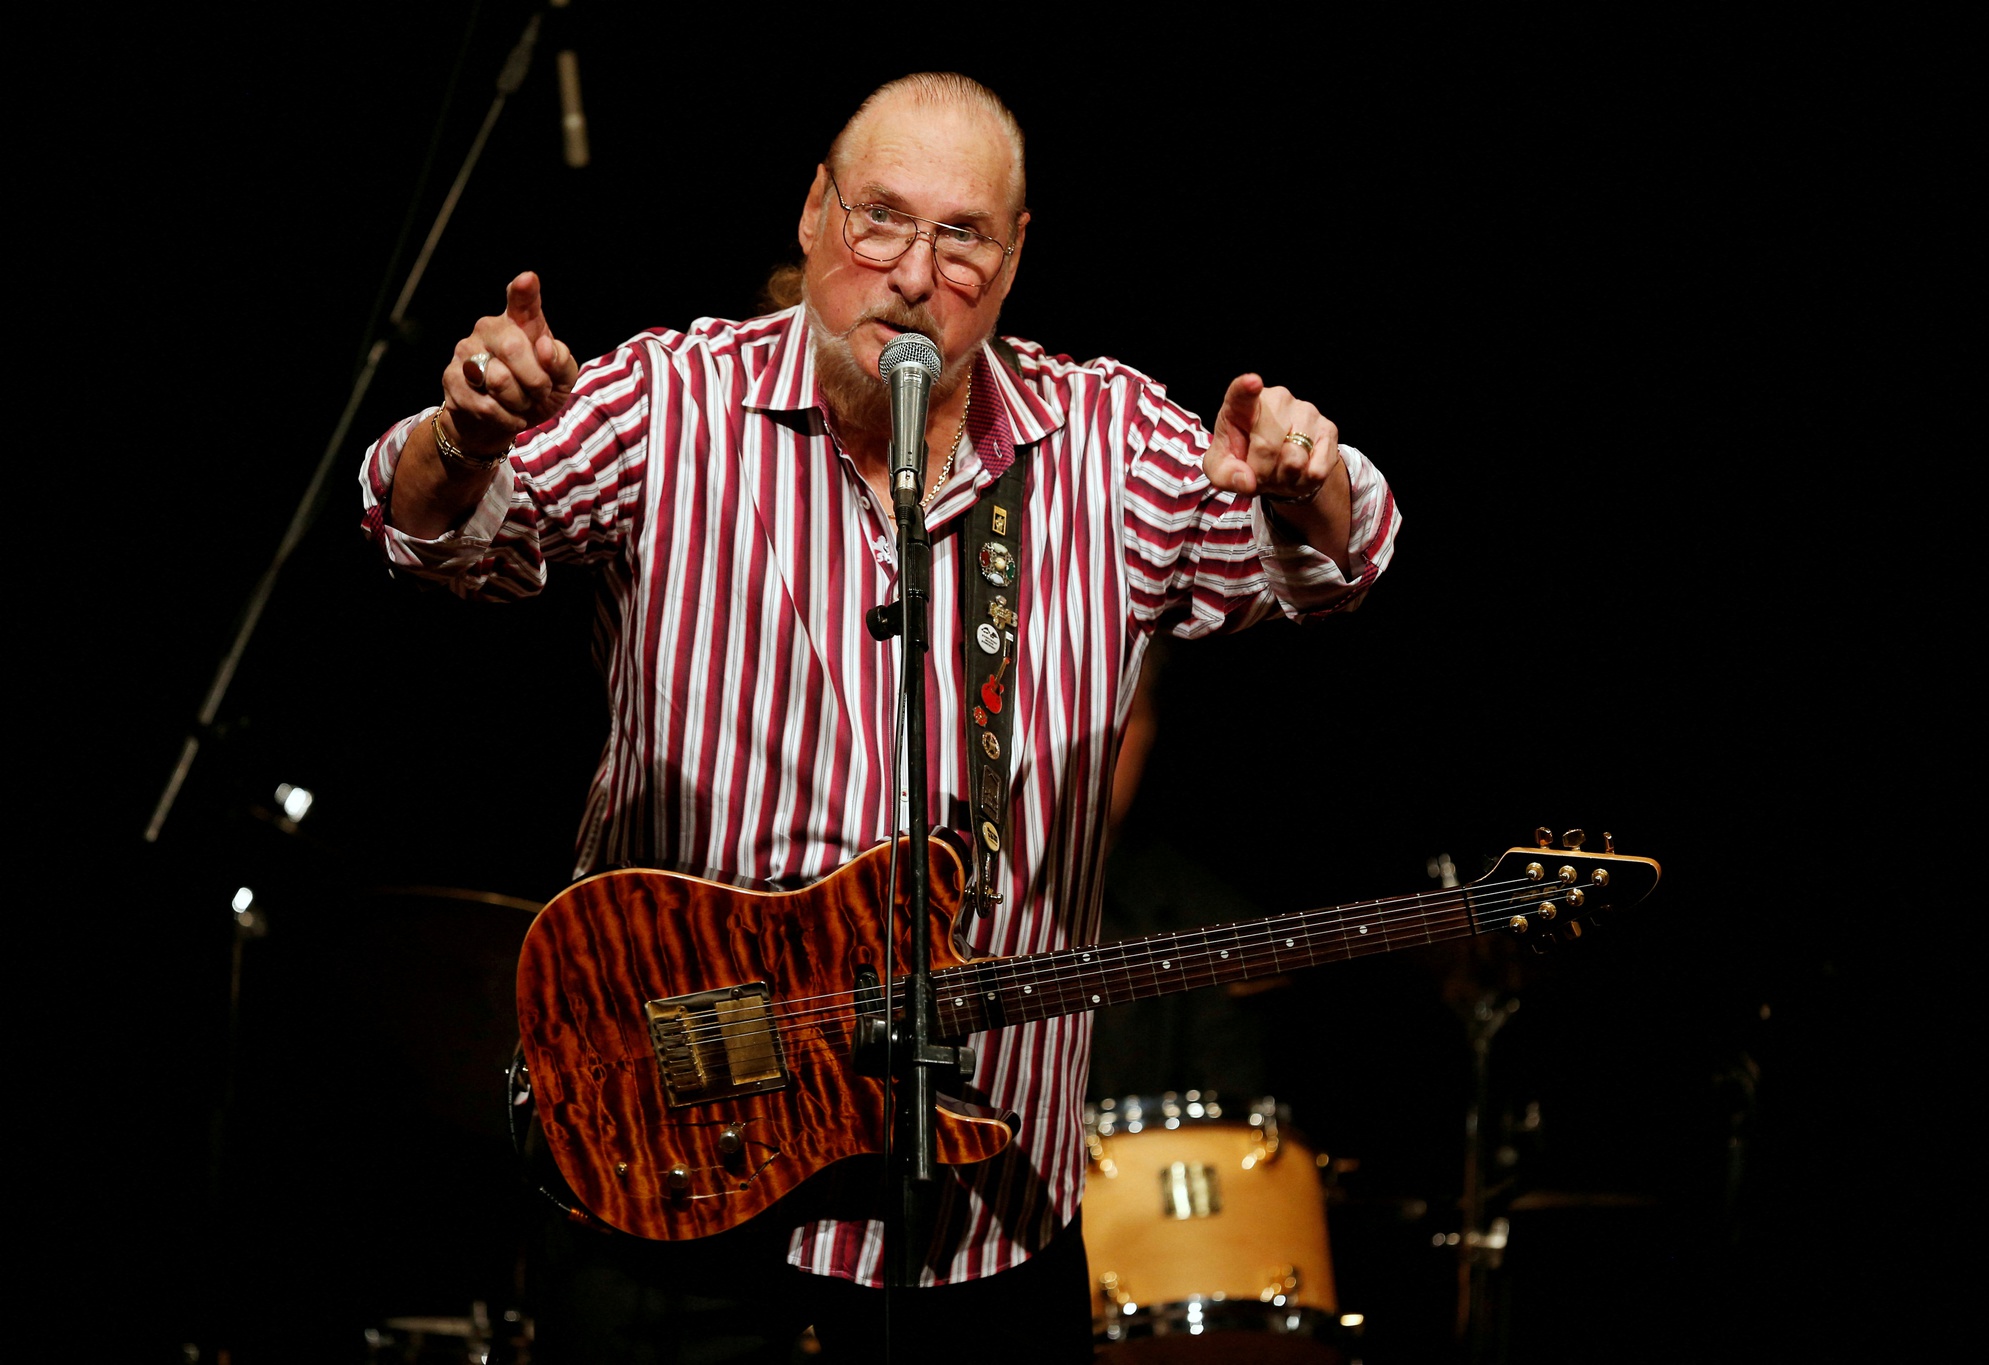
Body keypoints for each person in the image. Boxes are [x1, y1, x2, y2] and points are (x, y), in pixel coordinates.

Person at [361, 71, 1399, 1364]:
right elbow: (432, 532)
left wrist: (1312, 482)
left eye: (961, 236)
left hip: (978, 1216)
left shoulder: (1105, 444)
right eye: (881, 219)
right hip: (669, 1169)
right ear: (814, 215)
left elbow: (1326, 565)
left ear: (1014, 259)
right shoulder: (674, 402)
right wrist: (461, 433)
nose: (913, 272)